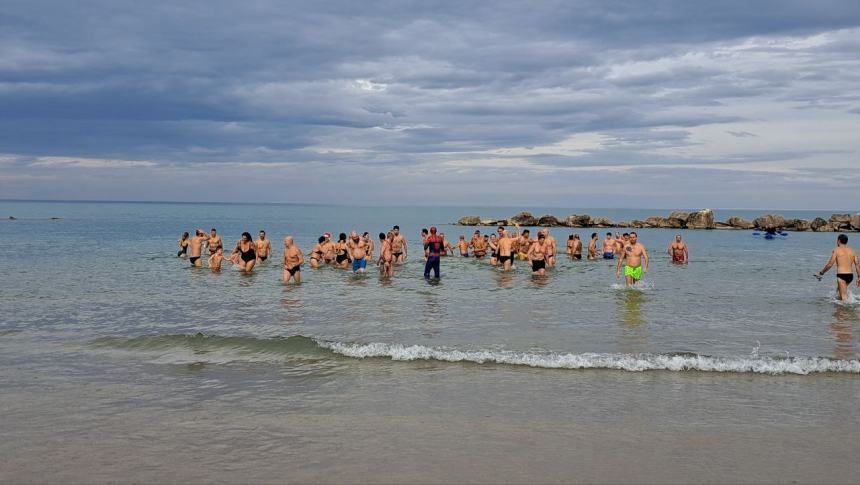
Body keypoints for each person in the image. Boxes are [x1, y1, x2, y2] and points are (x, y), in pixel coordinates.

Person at [817, 234, 860, 301]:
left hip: (841, 275)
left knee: (844, 299)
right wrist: (859, 277)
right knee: (838, 294)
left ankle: (844, 310)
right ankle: (846, 310)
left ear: (838, 241)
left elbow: (830, 264)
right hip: (850, 276)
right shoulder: (853, 251)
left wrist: (821, 272)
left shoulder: (836, 250)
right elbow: (857, 264)